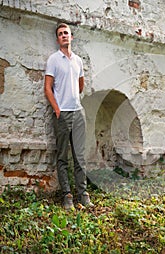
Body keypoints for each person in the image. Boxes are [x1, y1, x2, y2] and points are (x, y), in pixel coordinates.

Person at [44, 23, 93, 209]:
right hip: (62, 113)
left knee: (80, 157)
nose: (64, 36)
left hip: (78, 112)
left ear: (71, 37)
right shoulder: (53, 60)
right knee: (63, 156)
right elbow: (47, 88)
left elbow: (81, 86)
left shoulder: (78, 61)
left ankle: (83, 194)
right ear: (58, 39)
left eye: (67, 33)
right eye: (60, 34)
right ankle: (67, 196)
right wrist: (57, 109)